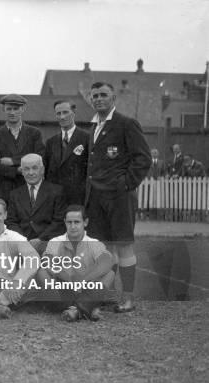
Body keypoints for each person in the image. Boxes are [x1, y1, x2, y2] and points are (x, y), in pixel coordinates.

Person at [86, 81, 151, 313]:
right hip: (96, 197)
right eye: (95, 96)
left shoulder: (126, 124)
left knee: (123, 246)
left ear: (113, 98)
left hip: (119, 197)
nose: (99, 99)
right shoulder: (93, 126)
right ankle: (110, 295)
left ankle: (129, 298)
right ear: (90, 99)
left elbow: (143, 159)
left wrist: (125, 184)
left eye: (103, 95)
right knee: (104, 249)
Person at [36, 205, 115, 322]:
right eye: (69, 222)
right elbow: (48, 262)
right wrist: (70, 280)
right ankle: (84, 308)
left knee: (110, 274)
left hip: (85, 289)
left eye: (77, 222)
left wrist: (83, 281)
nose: (73, 226)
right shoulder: (55, 241)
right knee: (41, 272)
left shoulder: (94, 243)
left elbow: (107, 263)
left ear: (85, 222)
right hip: (63, 289)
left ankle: (77, 309)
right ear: (65, 222)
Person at [0, 94, 45, 202]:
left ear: (23, 109)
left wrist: (13, 160)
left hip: (29, 188)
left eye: (16, 109)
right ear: (3, 109)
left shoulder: (34, 133)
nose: (12, 112)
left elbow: (40, 157)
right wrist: (16, 170)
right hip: (5, 191)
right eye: (9, 109)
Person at [5, 153, 66, 254]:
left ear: (42, 170)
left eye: (34, 168)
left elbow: (59, 222)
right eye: (26, 169)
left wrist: (41, 239)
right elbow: (11, 222)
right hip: (22, 245)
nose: (31, 172)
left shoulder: (57, 191)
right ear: (22, 171)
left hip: (49, 243)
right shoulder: (14, 194)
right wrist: (23, 241)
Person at [44, 100, 89, 205]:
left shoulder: (87, 138)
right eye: (58, 114)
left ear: (73, 113)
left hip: (78, 198)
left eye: (65, 112)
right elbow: (47, 171)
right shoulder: (51, 142)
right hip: (55, 198)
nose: (62, 117)